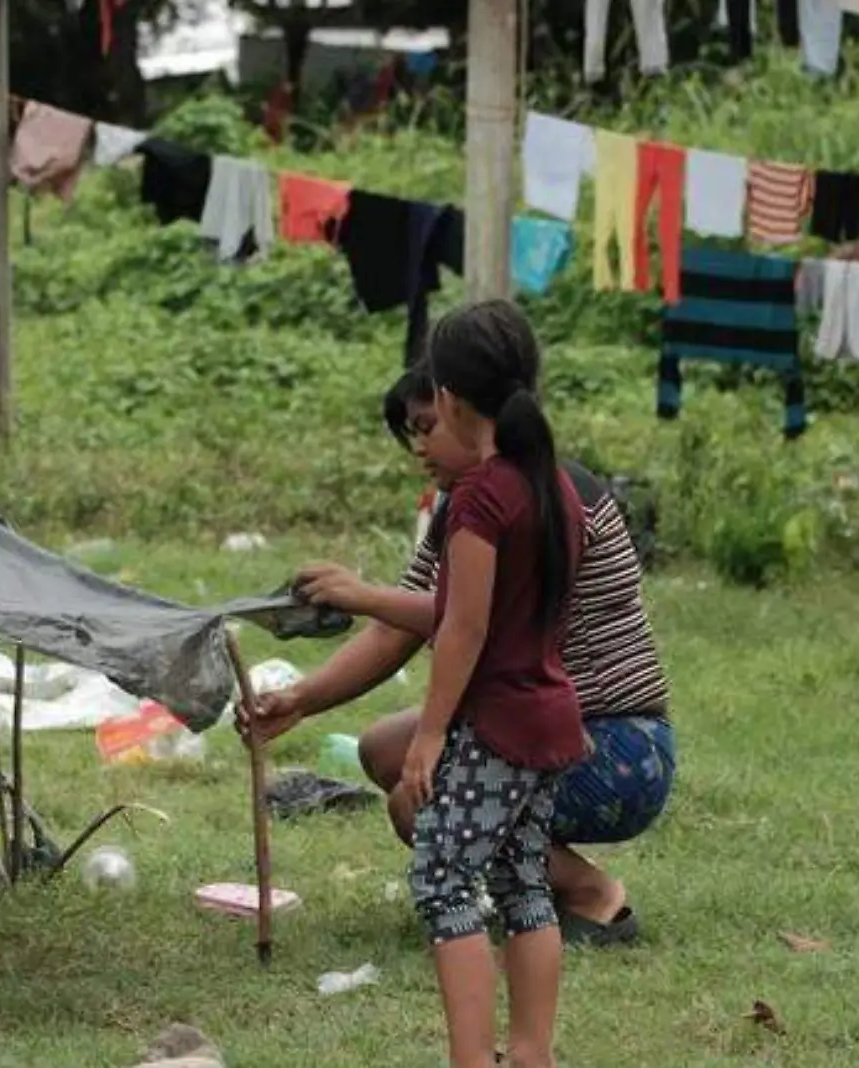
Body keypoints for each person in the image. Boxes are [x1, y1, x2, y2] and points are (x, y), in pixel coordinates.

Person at [252, 300, 589, 1068]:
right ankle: (530, 1055)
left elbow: (461, 625)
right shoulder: (553, 486)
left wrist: (431, 733)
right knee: (523, 881)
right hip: (550, 720)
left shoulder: (479, 496)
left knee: (442, 880)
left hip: (498, 726)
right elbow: (483, 612)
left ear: (448, 399)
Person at [251, 359, 673, 951]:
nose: (419, 448)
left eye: (429, 426)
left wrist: (364, 595)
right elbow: (399, 626)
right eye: (411, 434)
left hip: (610, 744)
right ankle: (525, 890)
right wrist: (301, 699)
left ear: (466, 412)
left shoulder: (551, 499)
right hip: (538, 725)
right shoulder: (469, 502)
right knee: (382, 749)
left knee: (418, 805)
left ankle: (590, 894)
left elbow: (484, 619)